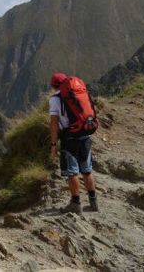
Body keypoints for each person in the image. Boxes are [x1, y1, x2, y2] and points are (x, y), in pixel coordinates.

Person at [49, 73, 98, 213]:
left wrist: (53, 144)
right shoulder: (79, 93)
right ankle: (93, 201)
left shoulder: (55, 100)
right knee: (87, 170)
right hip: (85, 135)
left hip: (69, 139)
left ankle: (75, 203)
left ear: (53, 86)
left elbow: (53, 123)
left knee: (72, 172)